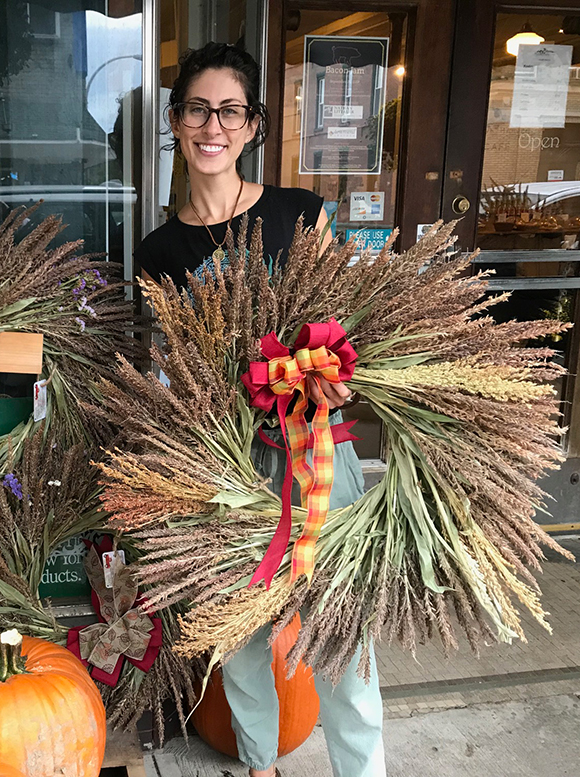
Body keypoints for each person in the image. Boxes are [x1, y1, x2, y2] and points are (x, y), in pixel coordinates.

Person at [134, 42, 386, 777]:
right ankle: (259, 764)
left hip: (316, 453)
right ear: (176, 122)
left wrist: (339, 371)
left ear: (252, 127)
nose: (212, 125)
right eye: (196, 109)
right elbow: (173, 371)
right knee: (240, 629)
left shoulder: (298, 214)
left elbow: (346, 323)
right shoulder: (160, 250)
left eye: (230, 111)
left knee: (342, 630)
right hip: (229, 460)